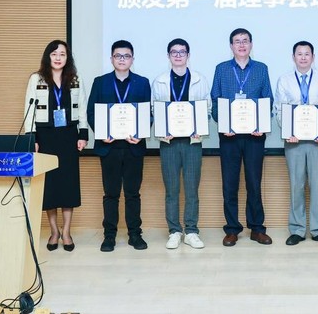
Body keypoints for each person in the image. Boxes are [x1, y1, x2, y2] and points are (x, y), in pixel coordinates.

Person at [24, 40, 89, 252]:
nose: (58, 57)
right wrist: (31, 138)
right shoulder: (36, 79)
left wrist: (83, 134)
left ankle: (66, 231)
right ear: (48, 56)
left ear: (67, 57)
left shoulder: (75, 79)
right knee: (49, 187)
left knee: (68, 185)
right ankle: (54, 231)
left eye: (62, 54)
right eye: (54, 54)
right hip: (45, 137)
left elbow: (82, 108)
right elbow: (29, 110)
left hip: (68, 136)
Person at [87, 40, 152, 253]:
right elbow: (91, 112)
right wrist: (102, 133)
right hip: (109, 148)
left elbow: (148, 114)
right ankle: (109, 236)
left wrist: (141, 134)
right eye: (118, 56)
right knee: (111, 194)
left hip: (134, 147)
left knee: (133, 193)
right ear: (111, 59)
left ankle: (135, 234)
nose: (122, 59)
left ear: (132, 59)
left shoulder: (142, 83)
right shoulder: (100, 82)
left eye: (126, 56)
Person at [211, 28, 274, 247]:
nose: (241, 45)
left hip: (254, 137)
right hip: (229, 137)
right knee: (230, 184)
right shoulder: (221, 69)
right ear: (231, 46)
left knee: (254, 183)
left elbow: (268, 99)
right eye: (237, 41)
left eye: (245, 41)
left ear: (251, 44)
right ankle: (232, 229)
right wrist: (223, 124)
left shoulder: (261, 69)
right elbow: (215, 100)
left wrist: (261, 125)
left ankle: (257, 228)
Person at [152, 38, 211, 250]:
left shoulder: (199, 80)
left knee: (192, 189)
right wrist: (162, 130)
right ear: (168, 56)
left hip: (192, 142)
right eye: (174, 52)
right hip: (168, 142)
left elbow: (207, 108)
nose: (178, 55)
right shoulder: (159, 81)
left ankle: (192, 231)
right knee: (172, 189)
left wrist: (200, 127)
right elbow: (154, 109)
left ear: (188, 55)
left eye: (182, 52)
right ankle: (174, 231)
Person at [274, 41, 318, 246]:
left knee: (317, 185)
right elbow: (280, 108)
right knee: (296, 185)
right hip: (294, 142)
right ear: (293, 57)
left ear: (313, 57)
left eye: (307, 54)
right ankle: (297, 229)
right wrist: (288, 131)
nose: (303, 57)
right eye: (299, 54)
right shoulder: (284, 80)